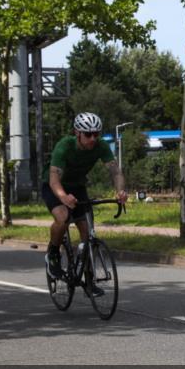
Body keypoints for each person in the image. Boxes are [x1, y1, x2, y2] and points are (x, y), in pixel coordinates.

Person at [42, 113, 128, 286]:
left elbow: (115, 171)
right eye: (88, 134)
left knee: (88, 233)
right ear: (77, 133)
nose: (93, 138)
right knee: (63, 217)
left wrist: (120, 191)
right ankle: (53, 253)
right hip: (55, 186)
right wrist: (63, 197)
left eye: (97, 134)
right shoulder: (64, 146)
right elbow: (54, 179)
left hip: (78, 186)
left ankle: (89, 280)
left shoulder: (101, 146)